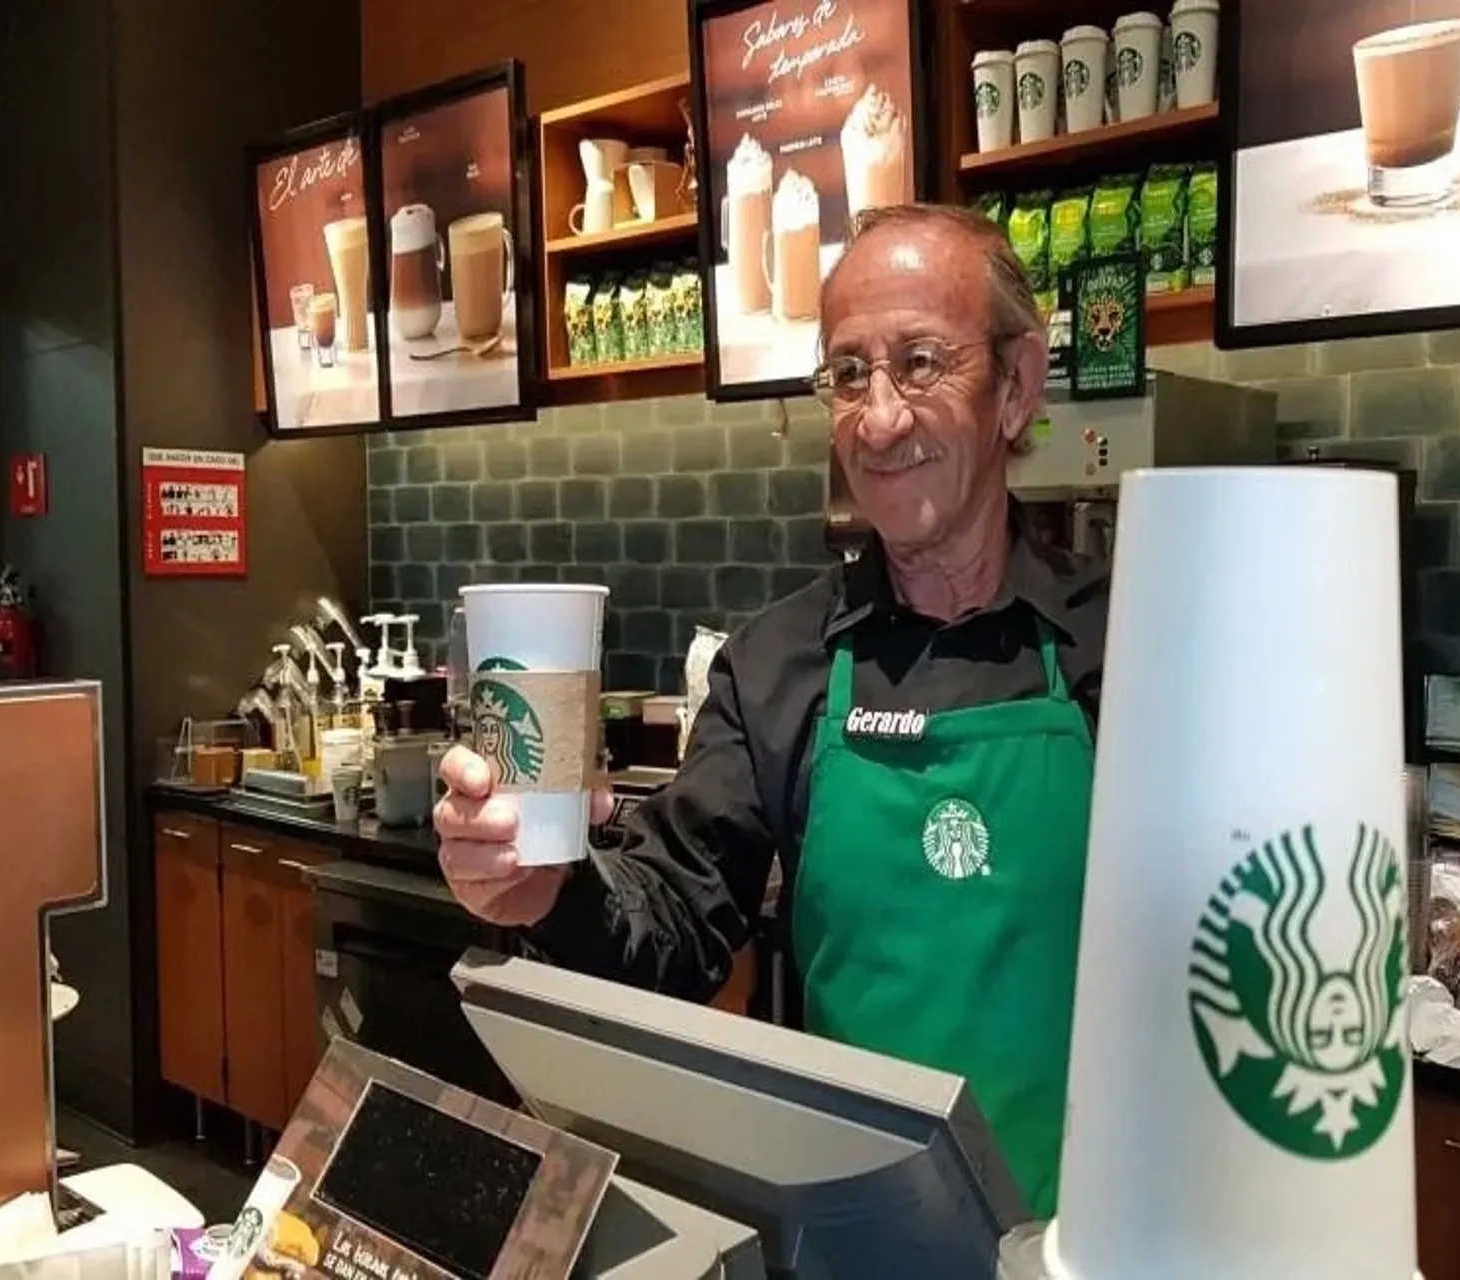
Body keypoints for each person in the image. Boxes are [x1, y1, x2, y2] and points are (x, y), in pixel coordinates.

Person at [436, 204, 1107, 1218]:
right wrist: (547, 887)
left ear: (1016, 386)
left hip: (1099, 1239)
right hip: (866, 1232)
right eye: (847, 373)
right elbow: (675, 920)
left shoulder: (1129, 642)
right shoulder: (778, 660)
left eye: (921, 362)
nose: (878, 419)